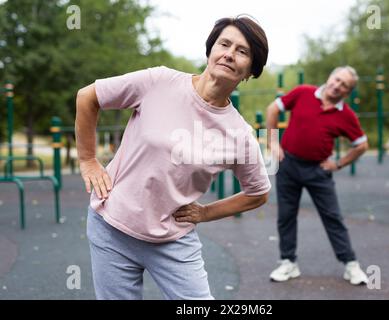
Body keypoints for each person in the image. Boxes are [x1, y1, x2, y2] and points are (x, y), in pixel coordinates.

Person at [75, 15, 271, 300]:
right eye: (224, 44)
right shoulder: (159, 81)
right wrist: (88, 159)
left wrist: (205, 213)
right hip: (111, 226)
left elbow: (258, 193)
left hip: (173, 241)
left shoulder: (239, 135)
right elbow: (87, 97)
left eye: (242, 51)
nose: (229, 54)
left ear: (250, 71)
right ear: (211, 50)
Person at [266, 66, 370, 285]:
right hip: (289, 164)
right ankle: (288, 263)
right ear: (330, 77)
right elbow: (272, 110)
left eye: (344, 85)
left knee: (333, 217)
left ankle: (350, 264)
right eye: (337, 79)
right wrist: (272, 142)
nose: (337, 85)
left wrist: (339, 164)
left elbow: (361, 145)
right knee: (286, 216)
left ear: (347, 92)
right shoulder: (303, 92)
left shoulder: (346, 115)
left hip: (318, 171)